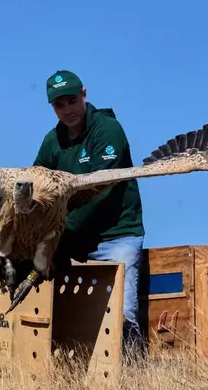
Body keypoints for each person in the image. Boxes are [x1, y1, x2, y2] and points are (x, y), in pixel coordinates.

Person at [33, 70, 146, 351]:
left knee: (120, 313)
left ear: (84, 94)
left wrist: (60, 229)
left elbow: (100, 191)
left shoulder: (107, 130)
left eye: (71, 101)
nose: (67, 110)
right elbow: (36, 182)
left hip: (116, 236)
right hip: (74, 240)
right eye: (59, 105)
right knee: (69, 311)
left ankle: (133, 374)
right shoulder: (52, 141)